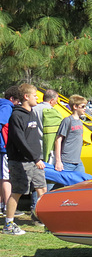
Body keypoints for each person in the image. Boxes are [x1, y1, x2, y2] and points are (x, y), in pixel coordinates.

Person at [4, 83, 46, 235]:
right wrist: (35, 158)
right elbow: (20, 140)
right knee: (18, 191)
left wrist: (37, 157)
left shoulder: (32, 113)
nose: (37, 98)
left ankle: (45, 220)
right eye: (35, 95)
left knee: (42, 189)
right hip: (20, 161)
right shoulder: (17, 115)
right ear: (26, 97)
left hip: (36, 160)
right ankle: (8, 225)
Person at [1, 86, 22, 218]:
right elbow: (1, 122)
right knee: (6, 177)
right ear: (12, 98)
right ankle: (7, 207)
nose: (18, 104)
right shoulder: (7, 107)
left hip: (2, 147)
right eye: (17, 101)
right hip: (3, 147)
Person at [54, 94, 87, 176]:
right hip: (67, 161)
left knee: (82, 183)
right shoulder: (67, 121)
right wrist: (58, 161)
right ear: (75, 107)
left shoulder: (80, 121)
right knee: (59, 186)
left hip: (77, 162)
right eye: (82, 106)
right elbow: (58, 140)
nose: (85, 109)